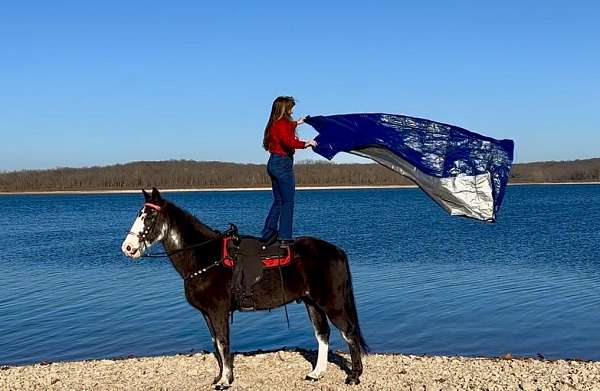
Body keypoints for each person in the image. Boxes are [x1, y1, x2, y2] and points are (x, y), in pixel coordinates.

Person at [260, 96, 317, 245]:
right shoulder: (282, 124)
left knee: (278, 201)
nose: (292, 110)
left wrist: (297, 123)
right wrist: (307, 143)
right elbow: (288, 141)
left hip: (273, 163)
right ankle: (285, 236)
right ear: (285, 109)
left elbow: (284, 131)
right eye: (290, 108)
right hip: (283, 164)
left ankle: (268, 232)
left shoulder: (274, 123)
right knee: (288, 201)